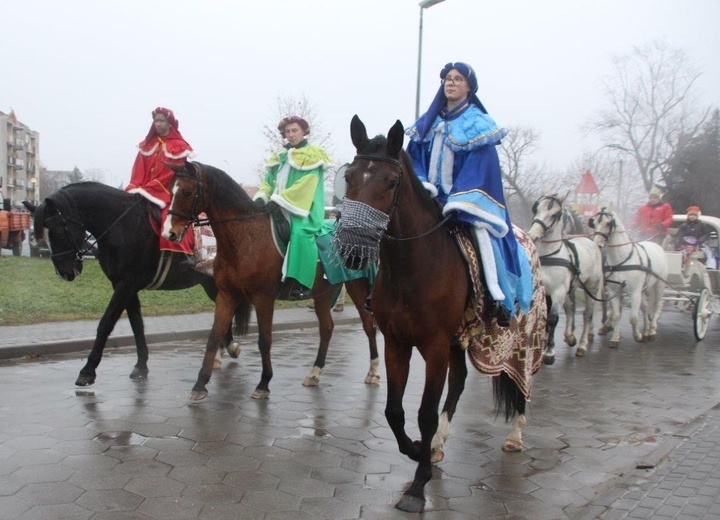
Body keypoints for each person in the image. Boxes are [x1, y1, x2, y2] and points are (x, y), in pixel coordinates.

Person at [405, 61, 533, 326]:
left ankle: (494, 299)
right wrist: (421, 185)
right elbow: (413, 158)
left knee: (481, 238)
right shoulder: (428, 122)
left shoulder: (479, 124)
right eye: (447, 79)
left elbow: (480, 169)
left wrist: (456, 202)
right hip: (427, 197)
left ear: (469, 87)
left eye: (458, 79)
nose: (451, 83)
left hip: (464, 202)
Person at [253, 116, 332, 299]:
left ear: (304, 131)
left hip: (304, 209)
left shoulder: (313, 155)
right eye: (287, 132)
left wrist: (279, 201)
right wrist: (262, 197)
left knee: (300, 233)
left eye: (294, 130)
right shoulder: (280, 156)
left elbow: (306, 185)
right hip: (278, 205)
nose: (290, 135)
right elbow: (269, 181)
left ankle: (301, 283)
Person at [125, 107, 195, 255]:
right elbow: (138, 171)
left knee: (168, 221)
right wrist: (135, 188)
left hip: (167, 194)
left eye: (161, 121)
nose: (158, 124)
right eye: (156, 121)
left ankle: (180, 257)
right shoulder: (147, 145)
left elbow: (172, 173)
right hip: (142, 190)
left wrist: (150, 188)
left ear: (170, 123)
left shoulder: (179, 147)